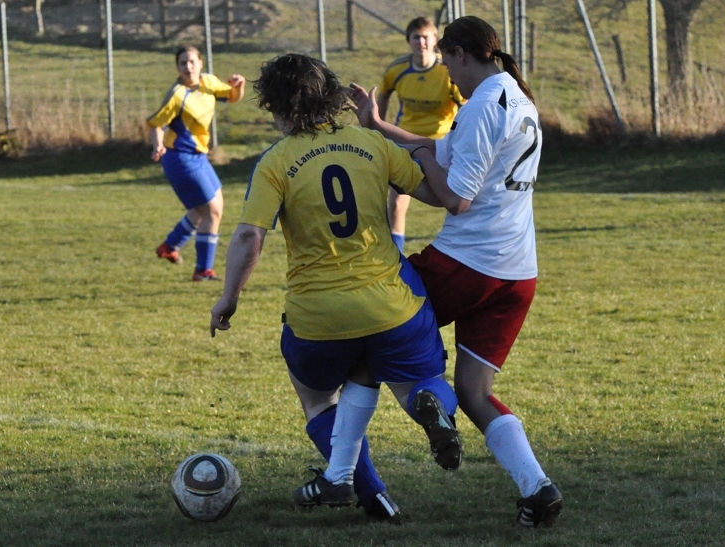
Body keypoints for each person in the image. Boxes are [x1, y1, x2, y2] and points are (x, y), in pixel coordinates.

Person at [209, 53, 462, 521]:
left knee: (317, 397)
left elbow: (249, 234)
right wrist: (421, 149)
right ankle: (434, 407)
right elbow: (434, 193)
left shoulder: (276, 161)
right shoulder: (372, 144)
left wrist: (228, 298)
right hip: (390, 306)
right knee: (418, 386)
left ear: (278, 107)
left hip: (318, 317)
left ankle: (370, 493)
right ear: (331, 97)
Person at [349, 16, 564, 528]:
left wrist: (409, 159)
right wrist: (380, 129)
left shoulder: (484, 106)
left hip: (469, 264)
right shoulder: (516, 98)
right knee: (476, 390)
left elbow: (454, 198)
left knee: (369, 339)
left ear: (463, 54)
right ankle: (538, 488)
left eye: (447, 61)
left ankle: (342, 472)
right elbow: (442, 160)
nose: (447, 73)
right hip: (517, 274)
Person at [147, 45, 245, 281]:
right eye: (183, 63)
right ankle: (203, 270)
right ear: (178, 67)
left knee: (211, 208)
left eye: (192, 62)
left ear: (201, 63)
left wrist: (239, 85)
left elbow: (231, 96)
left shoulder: (209, 83)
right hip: (179, 157)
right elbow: (155, 124)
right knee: (211, 210)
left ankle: (170, 246)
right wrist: (157, 145)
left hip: (199, 156)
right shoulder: (177, 94)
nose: (188, 67)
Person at [377, 16, 464, 253]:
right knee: (395, 204)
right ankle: (397, 257)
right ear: (409, 41)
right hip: (406, 144)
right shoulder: (397, 69)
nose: (421, 42)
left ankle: (458, 250)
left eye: (426, 37)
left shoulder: (447, 71)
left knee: (456, 201)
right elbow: (383, 93)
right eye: (416, 37)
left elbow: (465, 105)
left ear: (435, 40)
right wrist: (378, 125)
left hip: (442, 146)